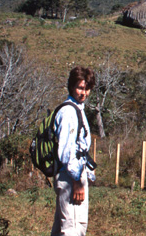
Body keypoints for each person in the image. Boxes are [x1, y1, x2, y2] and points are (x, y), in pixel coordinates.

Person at [51, 66, 96, 236]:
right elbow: (67, 151)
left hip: (74, 175)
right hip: (71, 178)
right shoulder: (69, 112)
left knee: (63, 227)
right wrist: (77, 181)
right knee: (73, 229)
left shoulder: (77, 109)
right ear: (71, 87)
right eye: (80, 88)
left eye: (87, 88)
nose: (83, 93)